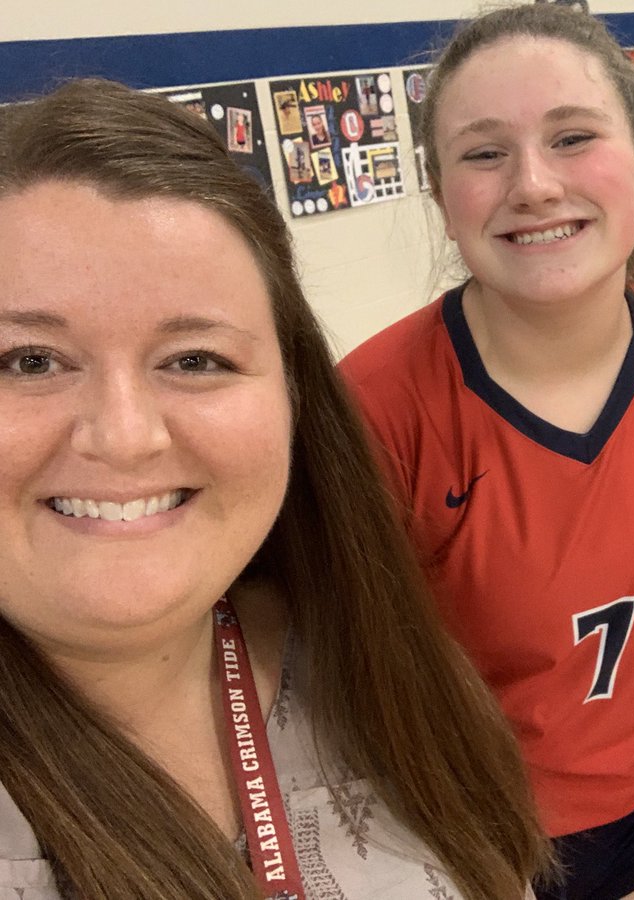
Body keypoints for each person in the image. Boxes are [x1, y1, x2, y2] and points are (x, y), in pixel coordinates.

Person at [0, 79, 548, 900]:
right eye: (29, 361)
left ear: (296, 397)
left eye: (195, 360)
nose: (123, 436)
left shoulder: (362, 653)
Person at [339, 5, 634, 898]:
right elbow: (343, 704)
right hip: (445, 834)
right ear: (442, 197)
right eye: (484, 153)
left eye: (572, 138)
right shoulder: (373, 408)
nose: (533, 184)